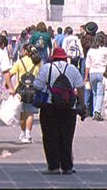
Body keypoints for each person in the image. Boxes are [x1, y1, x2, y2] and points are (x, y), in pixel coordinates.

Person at [33, 46, 86, 175]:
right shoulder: (72, 69)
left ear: (53, 58)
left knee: (50, 136)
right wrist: (82, 104)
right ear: (65, 58)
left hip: (50, 106)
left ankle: (53, 166)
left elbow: (37, 85)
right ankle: (67, 166)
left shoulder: (47, 68)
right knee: (67, 137)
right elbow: (80, 87)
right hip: (69, 107)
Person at [12, 45, 41, 142]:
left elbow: (11, 73)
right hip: (33, 89)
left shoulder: (20, 61)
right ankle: (28, 134)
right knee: (30, 113)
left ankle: (22, 133)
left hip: (21, 89)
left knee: (23, 112)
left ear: (25, 51)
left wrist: (9, 86)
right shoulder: (37, 62)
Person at [83, 33, 107, 120]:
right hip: (102, 72)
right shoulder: (106, 50)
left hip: (92, 72)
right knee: (100, 93)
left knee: (95, 93)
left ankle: (95, 111)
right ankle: (97, 111)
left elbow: (87, 65)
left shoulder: (91, 50)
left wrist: (86, 76)